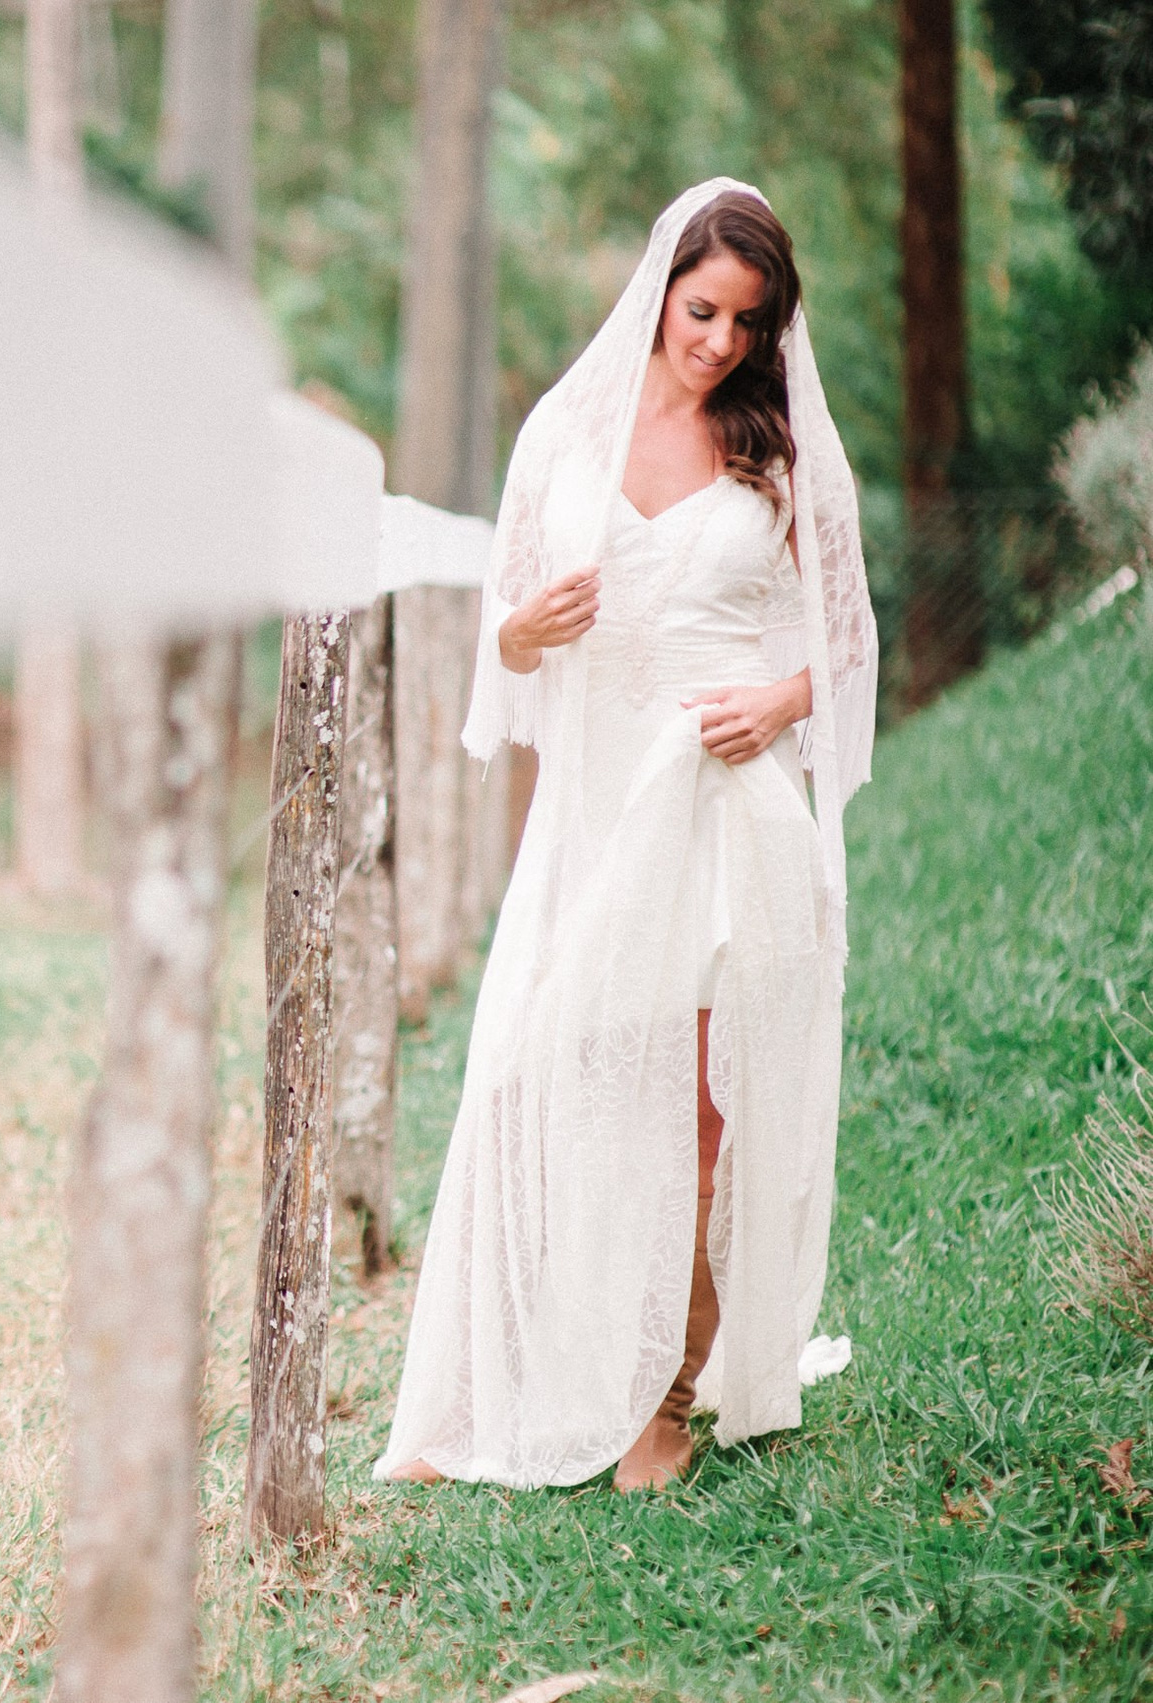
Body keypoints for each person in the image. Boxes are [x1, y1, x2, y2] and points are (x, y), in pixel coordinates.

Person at [374, 179, 876, 1492]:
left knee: (701, 1104)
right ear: (661, 288)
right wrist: (520, 636)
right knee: (540, 1073)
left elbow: (849, 639)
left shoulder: (781, 449)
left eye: (746, 325)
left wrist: (780, 698)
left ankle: (660, 1399)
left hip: (727, 804)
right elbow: (507, 631)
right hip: (599, 808)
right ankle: (508, 1381)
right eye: (703, 310)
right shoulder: (569, 432)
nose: (717, 341)